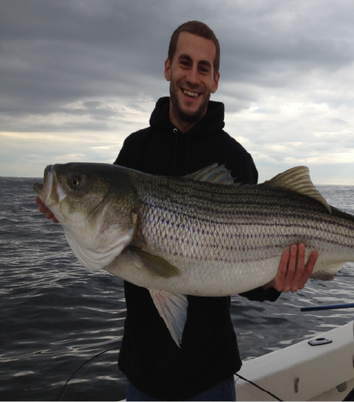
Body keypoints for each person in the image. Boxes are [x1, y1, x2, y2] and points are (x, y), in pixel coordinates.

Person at [36, 20, 318, 401]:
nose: (193, 77)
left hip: (210, 379)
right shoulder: (134, 151)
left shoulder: (235, 160)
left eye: (204, 68)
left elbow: (251, 274)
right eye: (185, 63)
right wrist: (66, 213)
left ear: (215, 80)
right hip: (142, 374)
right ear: (167, 68)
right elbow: (102, 227)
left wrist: (276, 282)